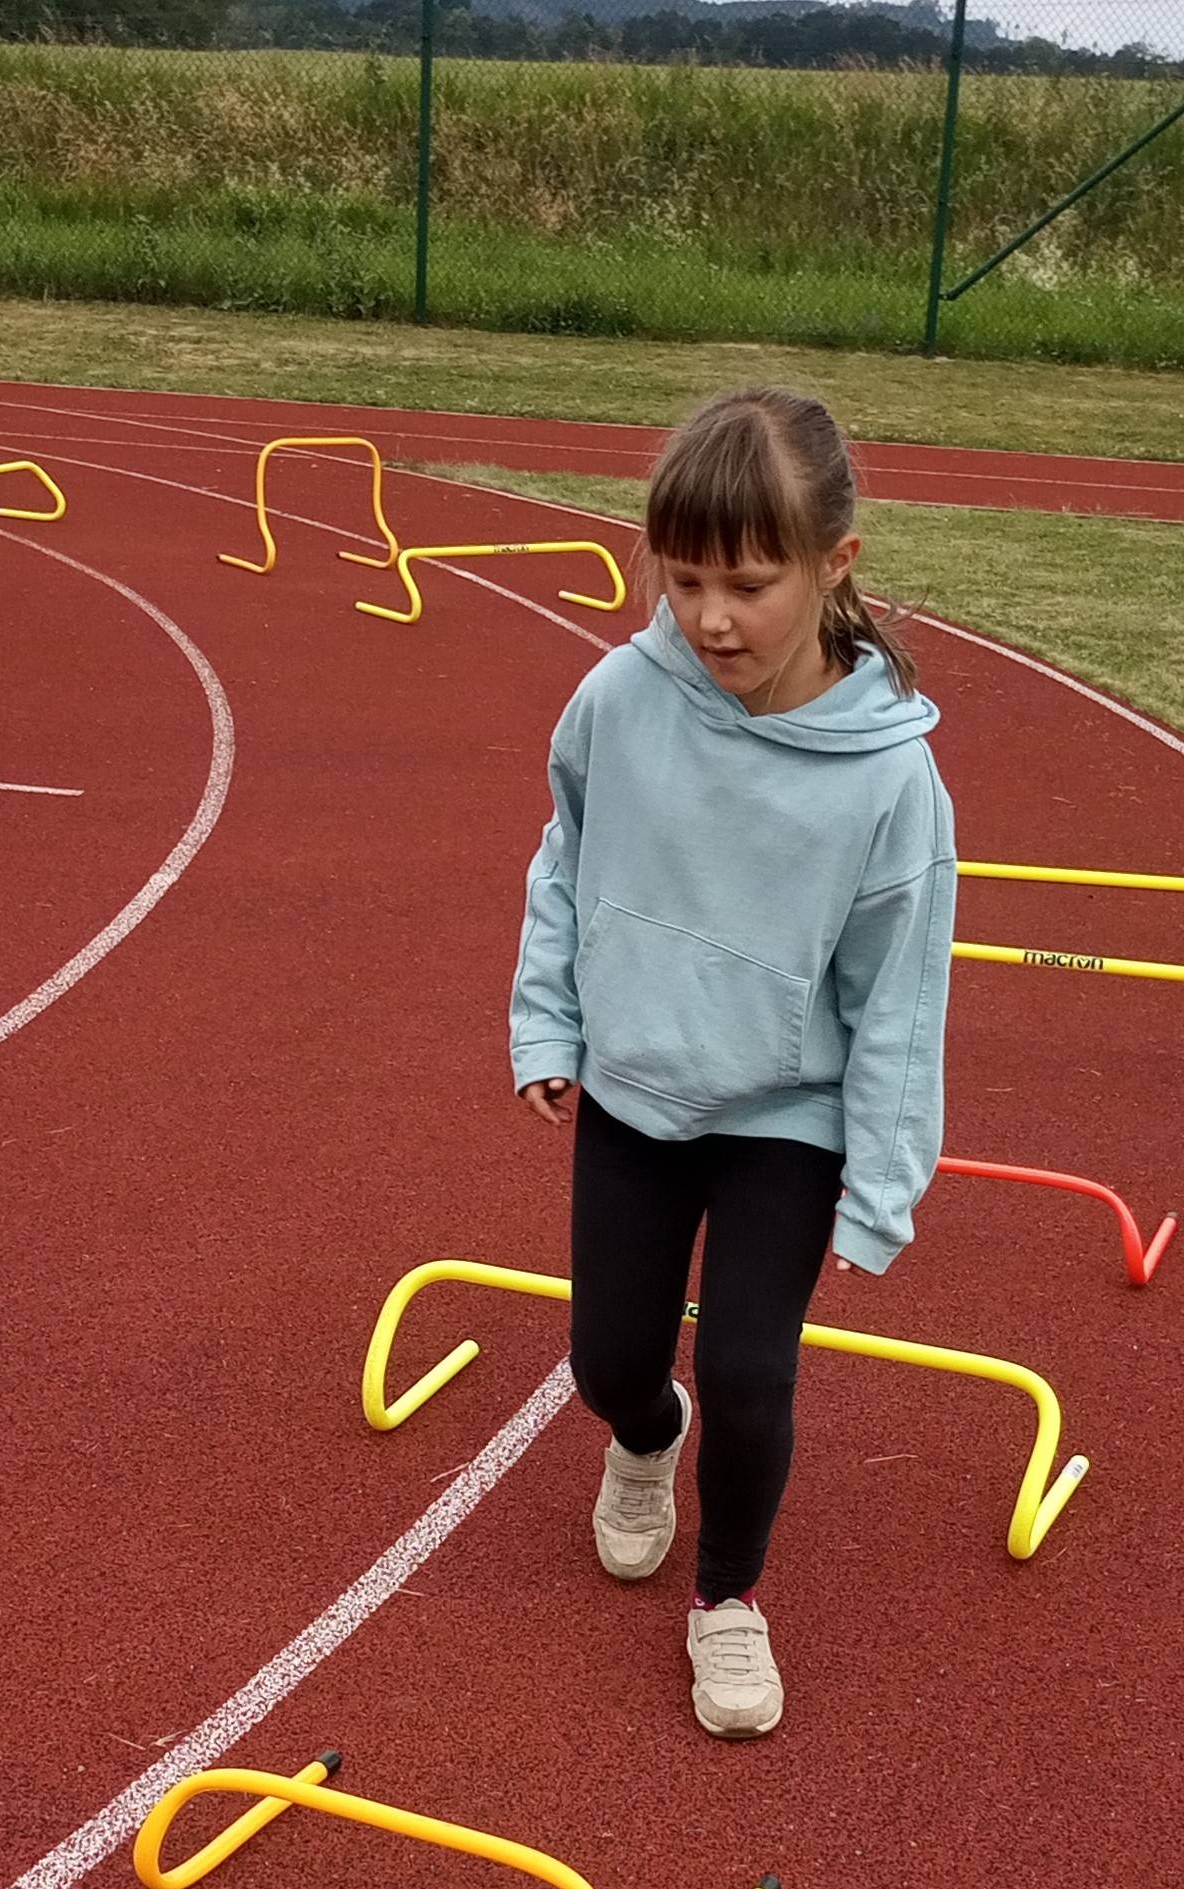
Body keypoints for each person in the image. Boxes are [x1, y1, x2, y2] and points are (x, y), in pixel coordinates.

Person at [508, 385, 956, 1739]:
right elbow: (564, 861)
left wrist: (882, 1184)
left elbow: (899, 997)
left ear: (836, 565)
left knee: (754, 1372)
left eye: (750, 586)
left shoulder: (890, 781)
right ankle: (647, 1438)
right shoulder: (619, 699)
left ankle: (727, 1596)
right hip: (636, 1091)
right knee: (608, 1364)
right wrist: (547, 1024)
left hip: (786, 1114)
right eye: (684, 578)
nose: (710, 618)